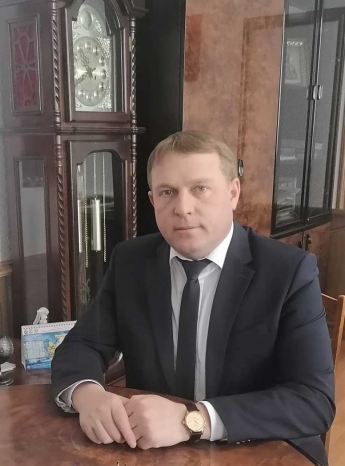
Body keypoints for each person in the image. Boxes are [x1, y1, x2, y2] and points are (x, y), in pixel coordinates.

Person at [52, 130, 334, 464]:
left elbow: (314, 400)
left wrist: (193, 420)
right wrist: (87, 394)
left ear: (233, 193)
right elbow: (83, 344)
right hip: (155, 452)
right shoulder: (130, 261)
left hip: (257, 449)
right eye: (167, 192)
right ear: (152, 200)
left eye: (200, 188)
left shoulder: (289, 271)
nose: (182, 208)